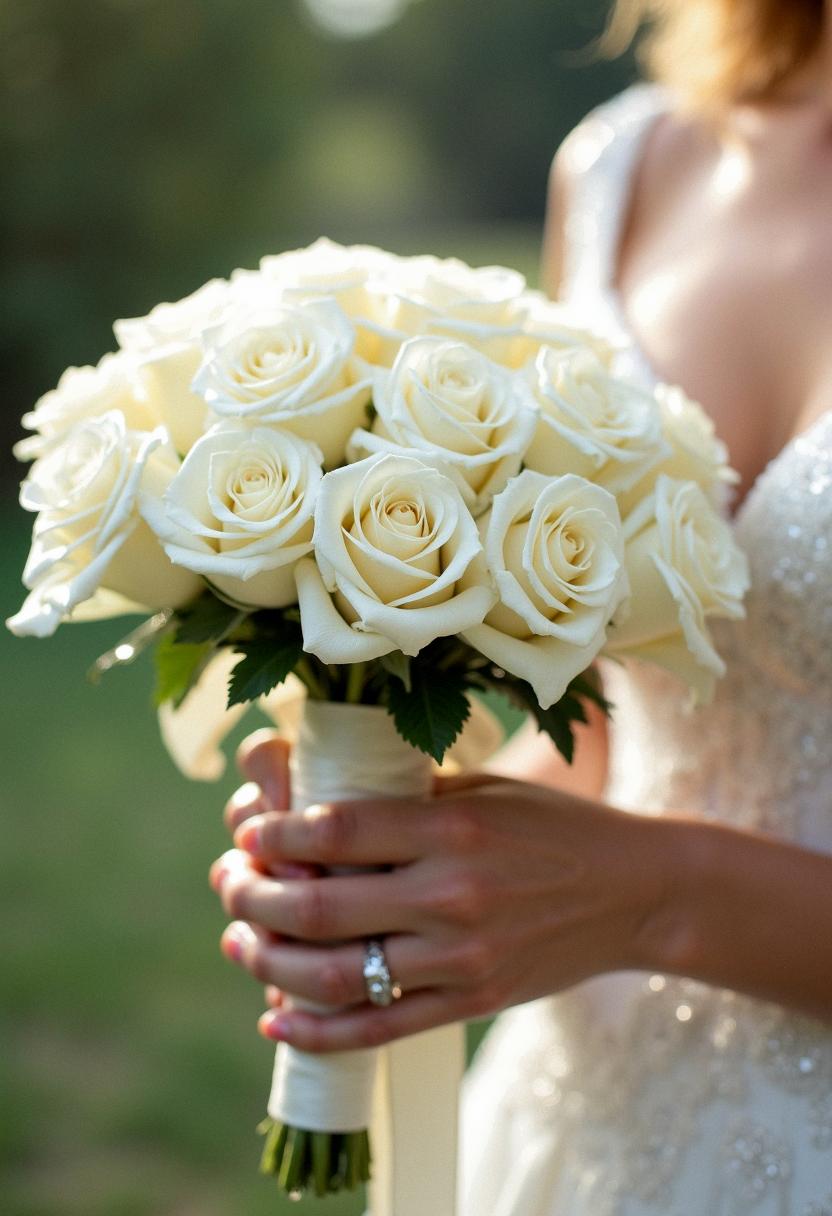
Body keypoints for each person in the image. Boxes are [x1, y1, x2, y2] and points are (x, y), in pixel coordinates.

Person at [209, 1, 832, 1209]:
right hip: (585, 1117)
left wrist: (658, 893)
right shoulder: (626, 164)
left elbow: (637, 865)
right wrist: (398, 869)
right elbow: (600, 752)